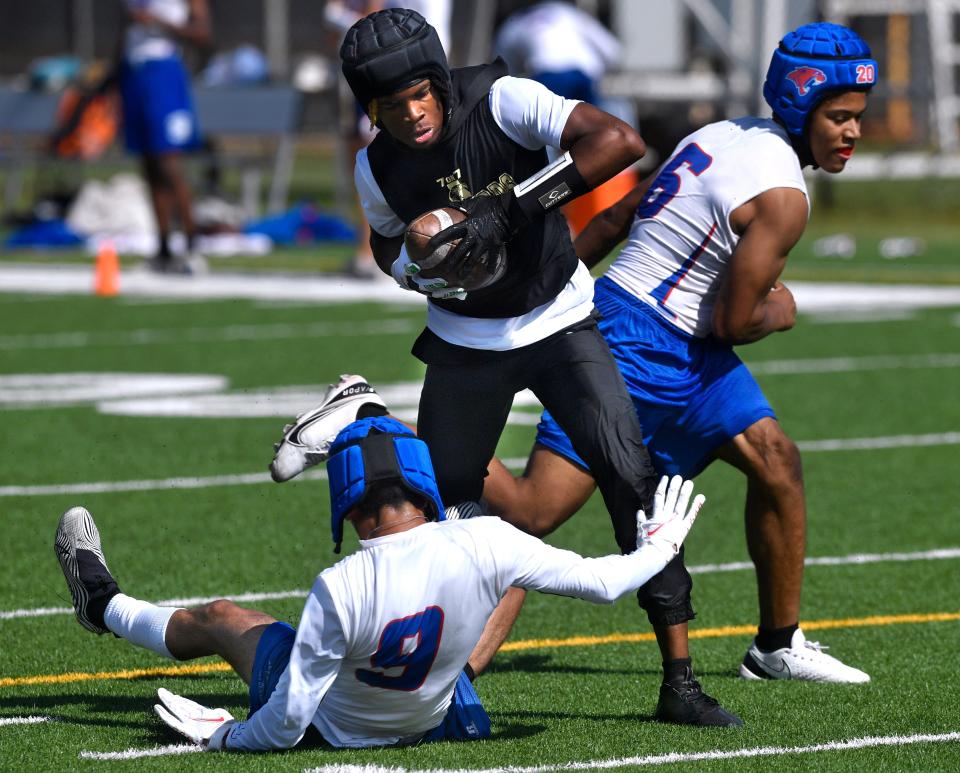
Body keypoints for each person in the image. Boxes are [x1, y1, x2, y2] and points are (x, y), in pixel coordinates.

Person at [477, 22, 876, 687]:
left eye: (857, 117)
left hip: (675, 342)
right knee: (532, 511)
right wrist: (785, 309)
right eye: (838, 117)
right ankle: (391, 426)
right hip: (634, 344)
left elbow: (613, 218)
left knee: (777, 461)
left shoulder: (718, 133)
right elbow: (738, 318)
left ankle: (777, 644)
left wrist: (540, 294)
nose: (852, 132)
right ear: (802, 105)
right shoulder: (783, 195)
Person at [54, 417, 704, 751]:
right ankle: (454, 674)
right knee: (512, 573)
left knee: (223, 615)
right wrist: (662, 544)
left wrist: (225, 733)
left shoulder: (341, 584)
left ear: (349, 504)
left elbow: (285, 721)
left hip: (339, 729)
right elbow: (604, 583)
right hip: (449, 720)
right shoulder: (488, 539)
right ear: (423, 487)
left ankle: (104, 604)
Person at [117, 0, 211, 274]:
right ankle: (163, 248)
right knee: (149, 165)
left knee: (169, 163)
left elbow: (203, 33)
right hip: (134, 72)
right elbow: (125, 30)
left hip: (164, 73)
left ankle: (193, 245)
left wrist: (158, 22)